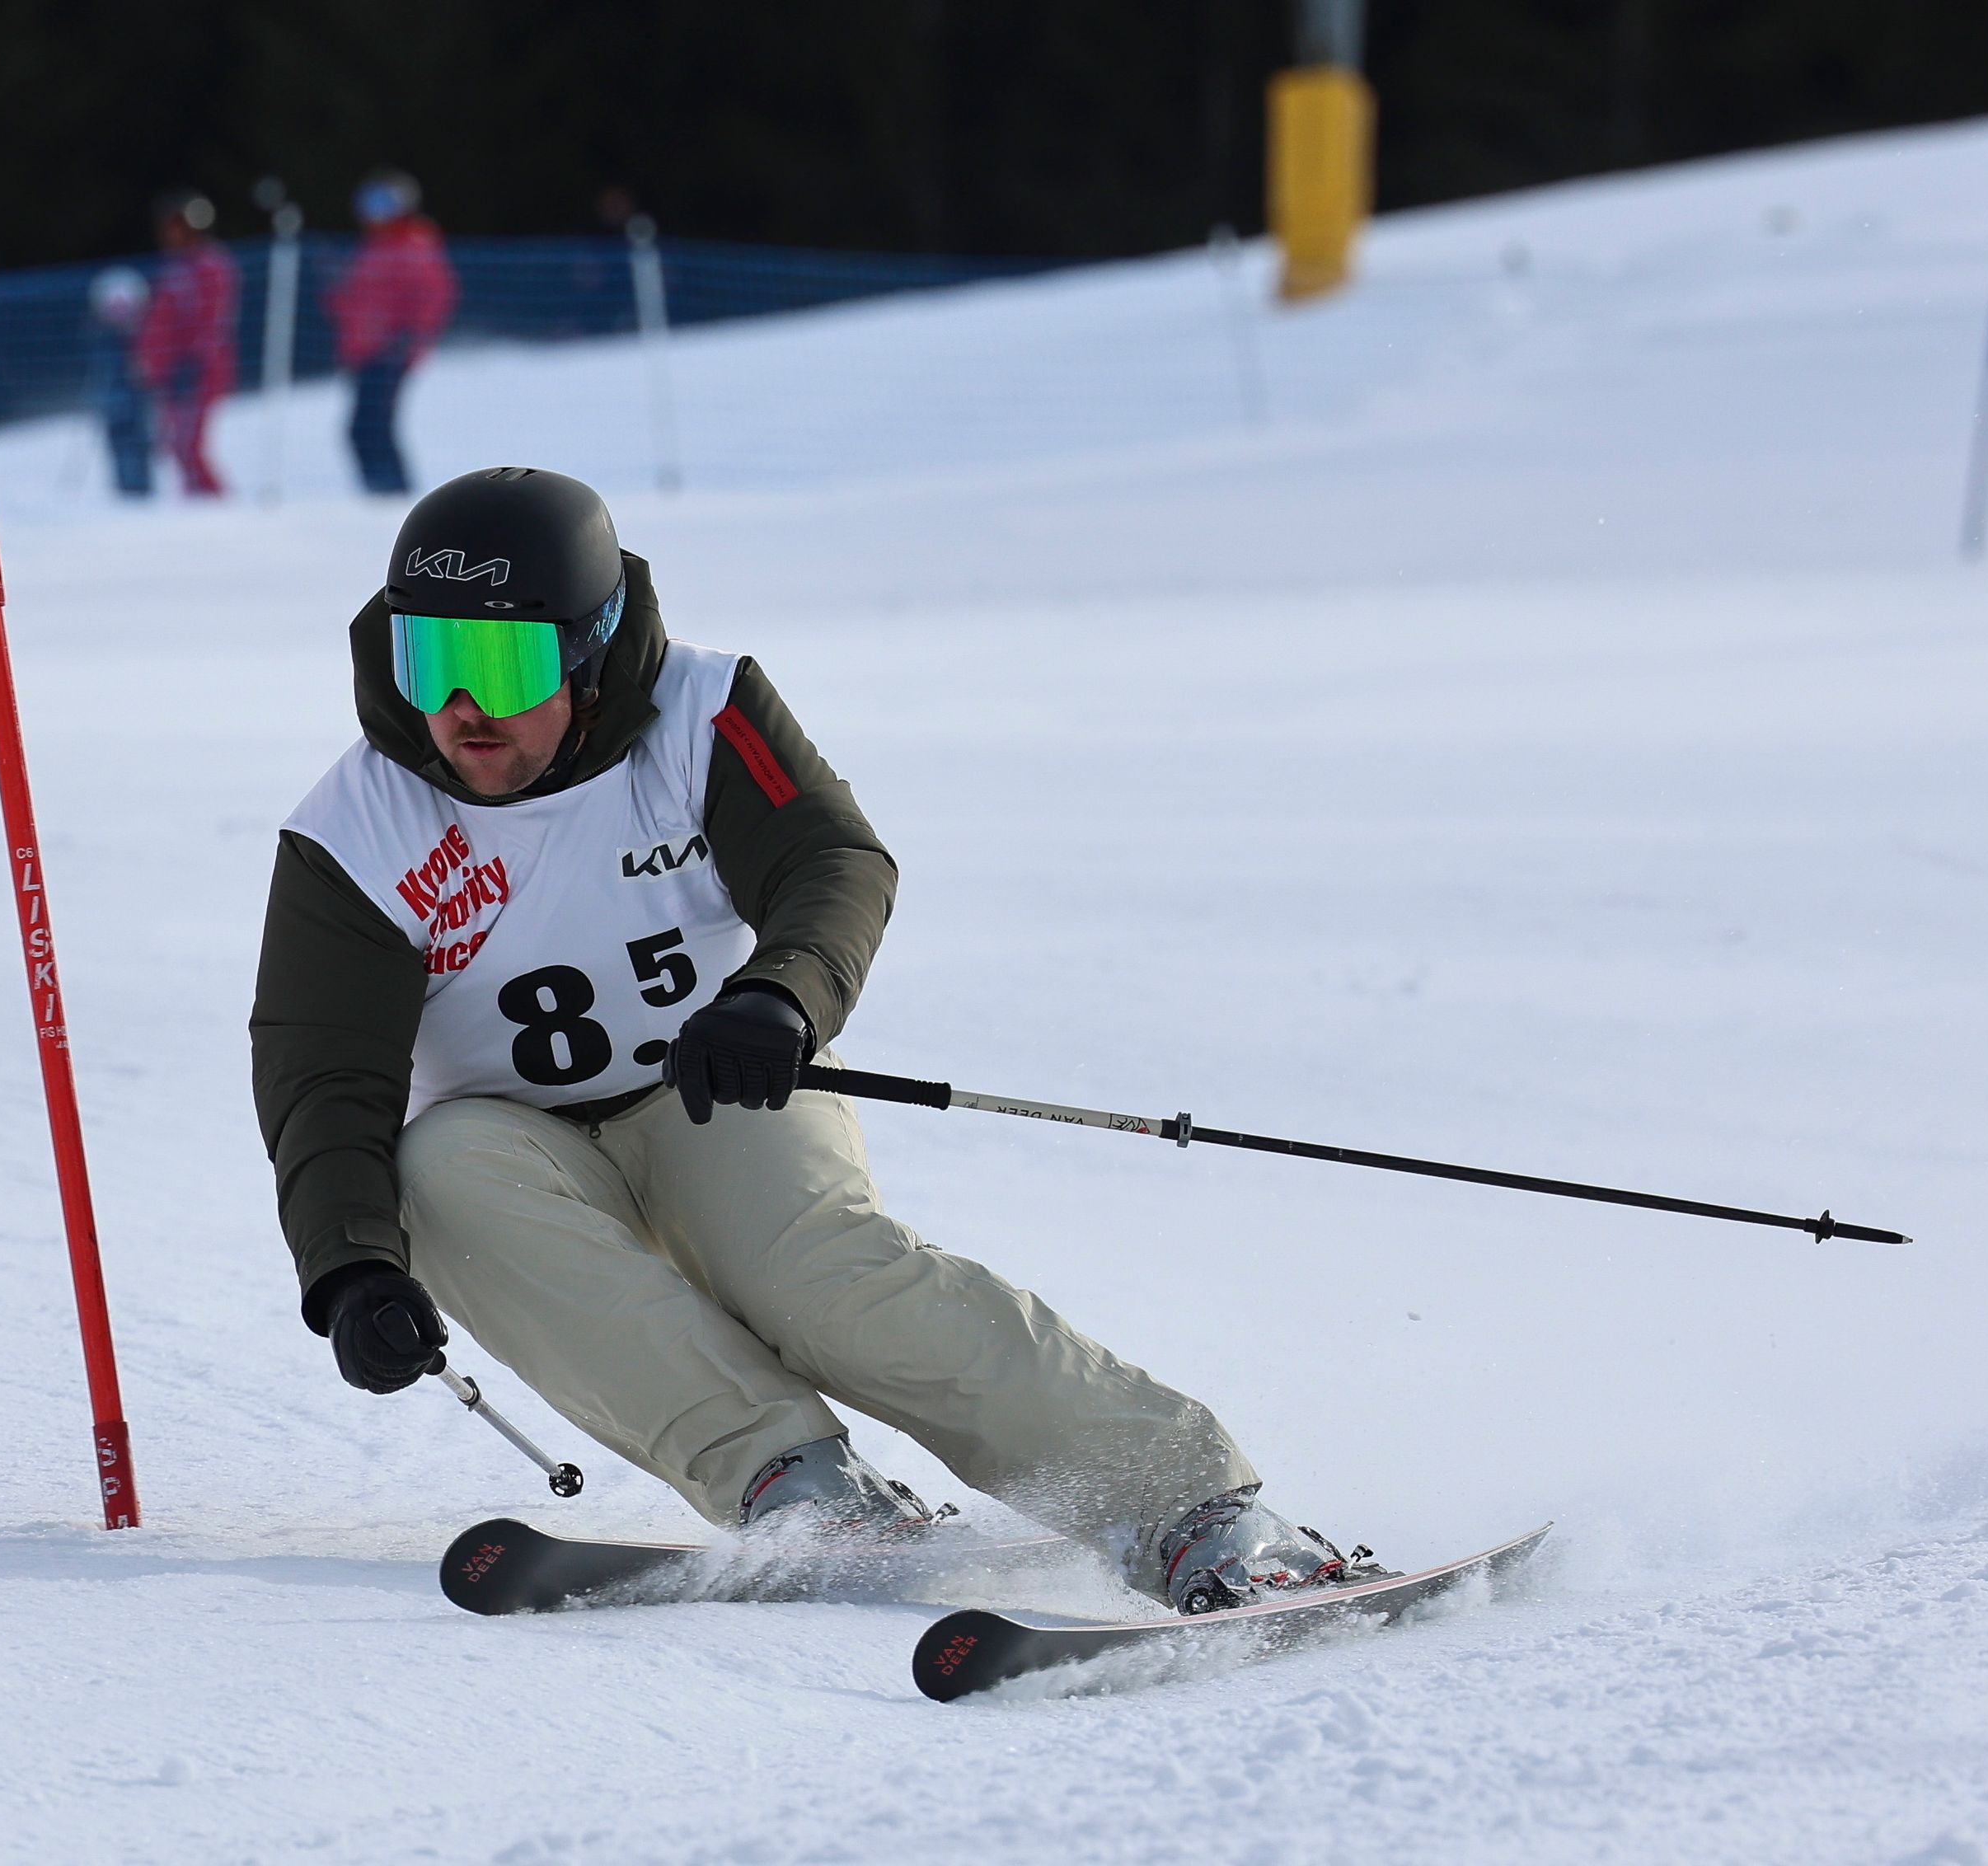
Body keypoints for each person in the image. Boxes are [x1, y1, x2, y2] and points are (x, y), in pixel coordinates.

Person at [249, 466, 1368, 1614]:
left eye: (504, 666)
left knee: (815, 1277)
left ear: (591, 652)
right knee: (429, 1169)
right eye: (427, 663)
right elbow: (323, 1069)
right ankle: (803, 1490)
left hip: (713, 1077)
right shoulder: (357, 831)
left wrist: (777, 998)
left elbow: (829, 862)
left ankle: (1191, 1508)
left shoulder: (702, 712)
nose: (460, 711)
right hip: (515, 1146)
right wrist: (350, 1268)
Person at [324, 170, 457, 495]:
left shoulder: (414, 244)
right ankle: (381, 491)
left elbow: (435, 294)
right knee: (364, 428)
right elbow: (351, 302)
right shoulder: (373, 248)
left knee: (372, 426)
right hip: (366, 353)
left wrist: (411, 335)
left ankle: (393, 492)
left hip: (390, 353)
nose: (374, 214)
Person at [134, 189, 238, 498]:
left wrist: (196, 360)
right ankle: (198, 499)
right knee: (175, 443)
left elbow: (214, 319)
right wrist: (149, 360)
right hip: (172, 371)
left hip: (198, 370)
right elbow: (160, 321)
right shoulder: (173, 268)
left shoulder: (211, 265)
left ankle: (211, 500)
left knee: (188, 442)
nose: (170, 234)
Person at [85, 266, 155, 499]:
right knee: (121, 448)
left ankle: (141, 489)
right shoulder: (104, 343)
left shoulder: (141, 340)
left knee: (140, 446)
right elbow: (100, 375)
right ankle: (129, 491)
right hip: (115, 408)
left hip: (136, 406)